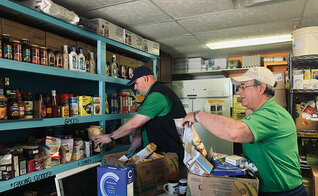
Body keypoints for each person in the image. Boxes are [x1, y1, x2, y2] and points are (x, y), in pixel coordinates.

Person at [182, 67, 306, 196]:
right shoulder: (258, 115)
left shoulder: (272, 114)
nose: (239, 92)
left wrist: (198, 116)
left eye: (243, 87)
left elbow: (234, 132)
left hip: (284, 193)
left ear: (260, 89)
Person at [94, 66, 187, 177]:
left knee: (171, 191)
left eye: (136, 83)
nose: (135, 88)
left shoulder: (157, 96)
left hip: (171, 159)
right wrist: (128, 156)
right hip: (158, 159)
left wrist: (110, 137)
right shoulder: (150, 97)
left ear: (145, 78)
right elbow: (139, 133)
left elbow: (134, 124)